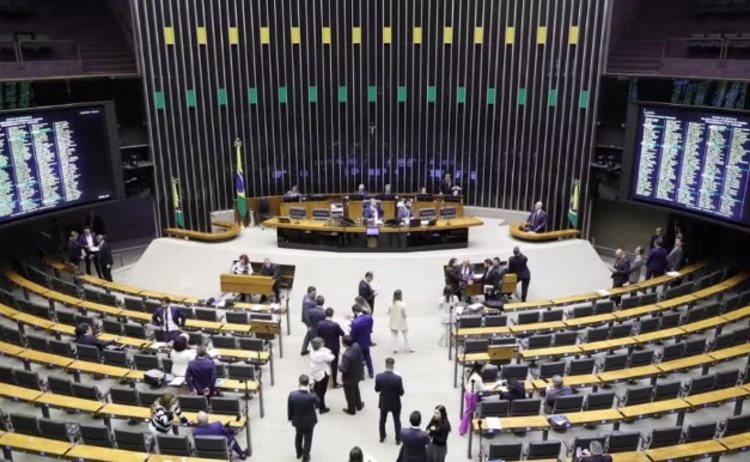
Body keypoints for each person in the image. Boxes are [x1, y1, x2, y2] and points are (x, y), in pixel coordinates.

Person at [459, 363, 501, 435]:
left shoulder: (474, 373)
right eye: (484, 368)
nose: (484, 369)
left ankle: (468, 425)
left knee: (469, 411)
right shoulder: (478, 378)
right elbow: (484, 389)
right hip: (472, 396)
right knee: (468, 412)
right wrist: (495, 385)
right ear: (480, 368)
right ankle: (462, 430)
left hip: (468, 394)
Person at [287, 374, 320, 462]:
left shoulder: (292, 395)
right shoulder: (311, 396)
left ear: (299, 383)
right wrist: (312, 389)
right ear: (308, 383)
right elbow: (318, 402)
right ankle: (305, 457)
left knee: (298, 436)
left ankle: (298, 453)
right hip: (309, 421)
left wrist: (290, 419)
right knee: (308, 439)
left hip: (298, 420)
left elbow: (290, 408)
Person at [375, 357, 404, 443]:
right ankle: (398, 438)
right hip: (395, 402)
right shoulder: (398, 378)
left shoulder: (379, 377)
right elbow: (401, 393)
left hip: (384, 402)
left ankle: (382, 436)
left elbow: (377, 389)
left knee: (382, 420)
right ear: (393, 366)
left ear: (385, 365)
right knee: (397, 420)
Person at [317, 307, 345, 388]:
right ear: (332, 315)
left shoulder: (319, 324)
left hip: (323, 347)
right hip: (333, 347)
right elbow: (342, 333)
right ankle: (334, 382)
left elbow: (317, 334)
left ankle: (323, 380)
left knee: (323, 364)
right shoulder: (335, 325)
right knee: (334, 365)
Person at [339, 335, 365, 415]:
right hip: (357, 374)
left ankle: (351, 409)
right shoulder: (357, 346)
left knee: (349, 394)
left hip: (349, 378)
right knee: (356, 390)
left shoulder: (346, 356)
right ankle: (359, 405)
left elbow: (344, 369)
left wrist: (339, 366)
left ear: (345, 344)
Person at [309, 337, 333, 413]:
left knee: (316, 387)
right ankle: (322, 408)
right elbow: (331, 357)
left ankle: (315, 403)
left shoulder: (313, 350)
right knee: (322, 392)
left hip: (315, 372)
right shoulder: (320, 354)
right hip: (322, 374)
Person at [350, 304, 374, 378]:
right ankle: (371, 372)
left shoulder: (355, 322)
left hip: (358, 342)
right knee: (368, 356)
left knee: (359, 359)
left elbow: (353, 334)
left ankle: (362, 374)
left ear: (355, 312)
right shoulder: (369, 318)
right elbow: (370, 328)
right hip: (366, 340)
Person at [300, 286, 318, 355]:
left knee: (309, 335)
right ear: (309, 293)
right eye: (313, 293)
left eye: (315, 293)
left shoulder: (307, 297)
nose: (315, 295)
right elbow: (306, 315)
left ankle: (303, 350)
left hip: (311, 320)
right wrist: (309, 325)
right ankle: (315, 352)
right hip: (310, 321)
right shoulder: (307, 302)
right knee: (313, 335)